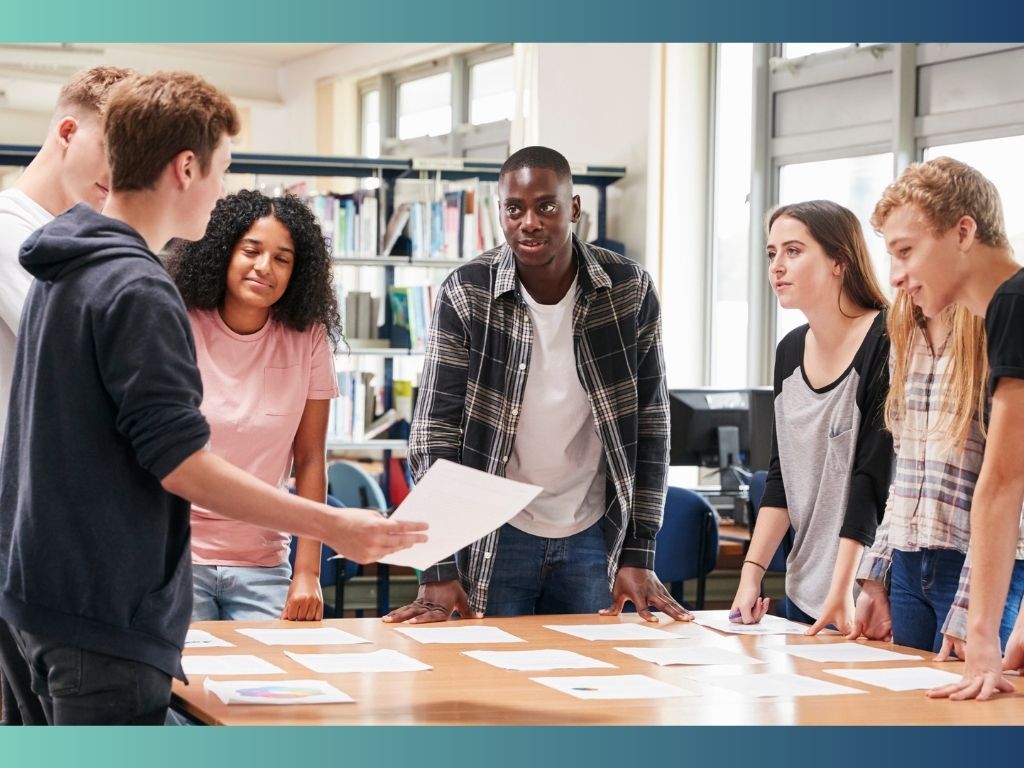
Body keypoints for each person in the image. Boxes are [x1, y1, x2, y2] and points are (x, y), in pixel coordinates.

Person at [0, 70, 426, 725]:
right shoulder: (136, 291)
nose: (221, 192)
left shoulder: (66, 266)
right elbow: (183, 464)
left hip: (44, 601)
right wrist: (338, 526)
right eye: (222, 170)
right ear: (187, 167)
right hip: (105, 616)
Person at [382, 145, 688, 625]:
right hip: (494, 533)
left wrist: (640, 550)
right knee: (485, 684)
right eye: (514, 208)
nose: (530, 222)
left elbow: (652, 427)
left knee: (589, 683)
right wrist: (438, 564)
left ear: (574, 209)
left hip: (593, 531)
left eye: (546, 206)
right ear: (500, 212)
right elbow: (432, 435)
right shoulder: (467, 292)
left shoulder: (629, 290)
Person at [0, 64, 134, 726]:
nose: (121, 176)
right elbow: (93, 361)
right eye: (113, 152)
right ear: (67, 130)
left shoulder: (70, 241)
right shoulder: (12, 232)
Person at [875, 156, 1024, 701]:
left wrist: (982, 636)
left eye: (907, 251)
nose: (895, 275)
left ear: (964, 231)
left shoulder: (1015, 303)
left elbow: (1005, 481)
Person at [167, 190, 342, 622]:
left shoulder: (309, 337)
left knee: (276, 685)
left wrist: (307, 572)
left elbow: (310, 459)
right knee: (184, 689)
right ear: (224, 252)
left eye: (282, 259)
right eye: (251, 251)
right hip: (176, 558)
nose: (265, 267)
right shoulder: (178, 321)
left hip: (264, 563)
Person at [730, 200, 892, 635]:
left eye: (794, 251)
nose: (777, 267)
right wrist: (751, 575)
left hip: (865, 596)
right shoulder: (789, 350)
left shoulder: (886, 339)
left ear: (840, 260)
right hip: (805, 592)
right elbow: (783, 476)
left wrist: (845, 588)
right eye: (771, 253)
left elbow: (871, 480)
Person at [848, 289, 1024, 653]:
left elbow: (1012, 490)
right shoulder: (905, 334)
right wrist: (875, 578)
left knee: (975, 708)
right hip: (908, 563)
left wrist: (971, 611)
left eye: (907, 250)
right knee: (911, 706)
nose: (896, 274)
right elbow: (904, 471)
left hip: (976, 566)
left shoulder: (997, 331)